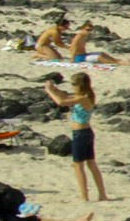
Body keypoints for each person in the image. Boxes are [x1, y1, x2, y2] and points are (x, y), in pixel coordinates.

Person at [44, 72, 109, 202]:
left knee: (79, 165)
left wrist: (49, 91)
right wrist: (54, 89)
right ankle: (102, 195)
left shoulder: (84, 98)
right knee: (91, 163)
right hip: (85, 132)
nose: (72, 86)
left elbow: (61, 102)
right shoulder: (84, 96)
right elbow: (65, 96)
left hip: (81, 134)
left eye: (74, 84)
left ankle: (85, 197)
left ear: (81, 85)